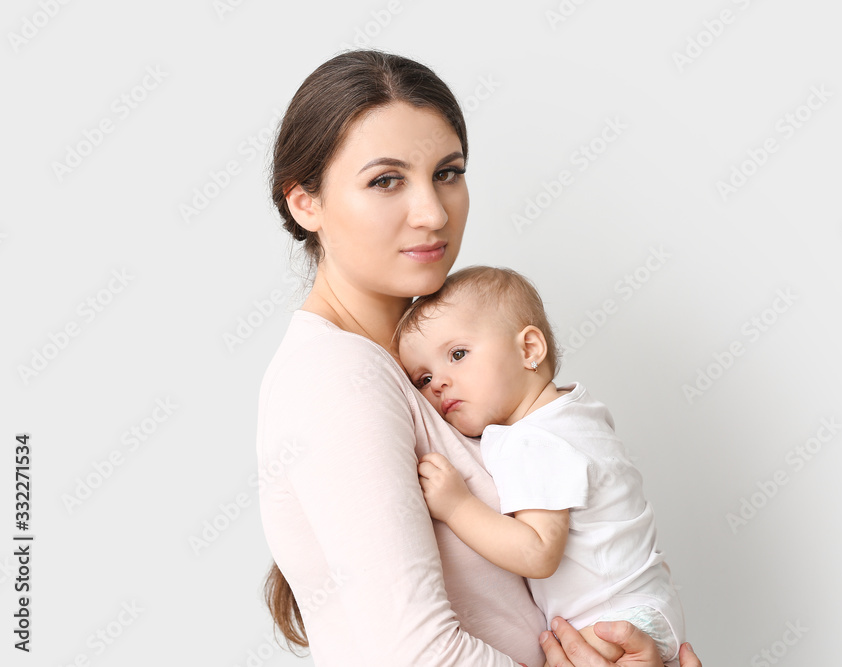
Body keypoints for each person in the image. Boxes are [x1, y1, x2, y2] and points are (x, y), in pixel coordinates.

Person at [255, 48, 704, 667]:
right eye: (386, 180)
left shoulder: (435, 373)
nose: (433, 213)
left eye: (448, 171)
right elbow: (416, 654)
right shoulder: (337, 376)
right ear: (306, 202)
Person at [394, 266, 685, 666]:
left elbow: (538, 552)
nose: (439, 383)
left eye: (458, 355)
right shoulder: (577, 411)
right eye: (423, 378)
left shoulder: (530, 440)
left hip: (611, 620)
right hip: (645, 606)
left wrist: (457, 505)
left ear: (529, 349)